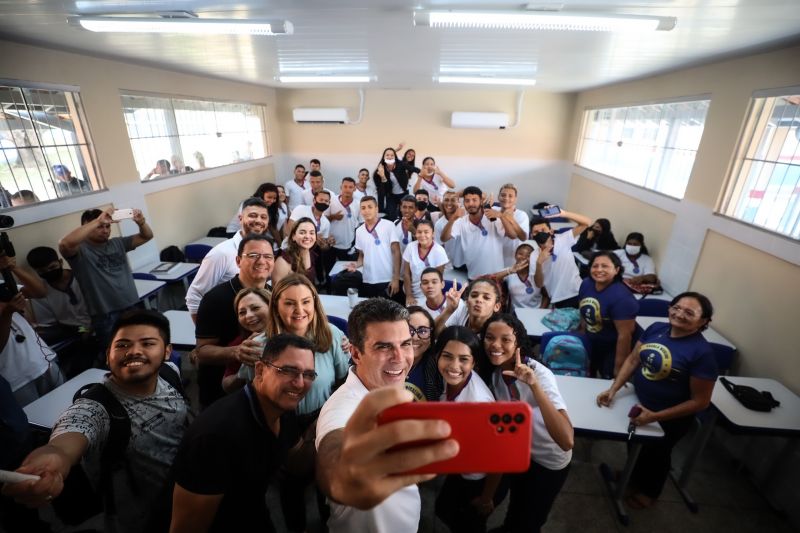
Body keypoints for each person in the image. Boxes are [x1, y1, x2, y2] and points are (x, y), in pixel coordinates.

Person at [2, 310, 192, 533]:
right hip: (144, 518)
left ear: (167, 351)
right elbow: (67, 440)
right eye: (122, 345)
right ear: (107, 354)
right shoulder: (96, 409)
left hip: (190, 491)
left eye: (148, 343)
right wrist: (53, 460)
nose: (134, 351)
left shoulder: (170, 372)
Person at [315, 298, 459, 532]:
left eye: (405, 344)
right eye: (383, 347)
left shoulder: (388, 388)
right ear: (356, 353)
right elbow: (334, 450)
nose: (400, 357)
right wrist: (341, 478)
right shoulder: (342, 406)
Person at [170, 334, 316, 533]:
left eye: (308, 374)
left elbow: (296, 464)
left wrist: (317, 429)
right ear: (260, 370)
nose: (299, 383)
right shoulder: (216, 436)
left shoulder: (282, 409)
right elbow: (187, 528)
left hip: (251, 512)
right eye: (288, 371)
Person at [596, 292, 718, 509]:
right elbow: (634, 359)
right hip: (640, 403)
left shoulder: (702, 353)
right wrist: (613, 388)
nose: (679, 314)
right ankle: (631, 476)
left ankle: (650, 492)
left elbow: (701, 402)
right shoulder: (656, 329)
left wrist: (656, 416)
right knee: (635, 445)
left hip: (670, 416)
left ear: (703, 322)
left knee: (657, 455)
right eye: (676, 307)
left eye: (689, 312)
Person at [258, 274, 350, 532]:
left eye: (306, 302)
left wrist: (325, 420)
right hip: (280, 424)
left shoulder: (331, 335)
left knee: (327, 482)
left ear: (315, 304)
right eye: (289, 303)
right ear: (276, 305)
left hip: (323, 417)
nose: (300, 310)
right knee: (290, 488)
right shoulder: (261, 345)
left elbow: (344, 381)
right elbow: (247, 389)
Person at [483, 313, 574, 533]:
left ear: (518, 344)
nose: (495, 345)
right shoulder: (494, 375)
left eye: (505, 339)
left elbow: (566, 440)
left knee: (532, 519)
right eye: (489, 337)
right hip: (522, 455)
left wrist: (534, 386)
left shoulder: (539, 374)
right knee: (517, 506)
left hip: (548, 460)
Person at [434, 325, 503, 533]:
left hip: (478, 479)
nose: (454, 366)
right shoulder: (450, 381)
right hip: (461, 465)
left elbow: (498, 457)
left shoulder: (478, 404)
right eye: (447, 356)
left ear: (474, 362)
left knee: (468, 524)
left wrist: (486, 498)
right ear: (437, 356)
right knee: (444, 510)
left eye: (463, 359)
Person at [194, 234, 274, 409]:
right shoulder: (215, 299)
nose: (261, 261)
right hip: (220, 393)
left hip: (264, 390)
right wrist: (237, 352)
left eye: (268, 256)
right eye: (253, 255)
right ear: (238, 261)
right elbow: (202, 352)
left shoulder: (274, 294)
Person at [59, 207, 153, 349]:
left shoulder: (117, 243)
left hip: (132, 305)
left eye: (107, 226)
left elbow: (147, 236)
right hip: (106, 314)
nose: (105, 230)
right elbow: (64, 243)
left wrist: (141, 223)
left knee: (140, 346)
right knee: (116, 353)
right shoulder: (80, 250)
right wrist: (98, 220)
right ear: (86, 227)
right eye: (99, 227)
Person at [185, 198, 269, 318]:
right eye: (252, 215)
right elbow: (194, 297)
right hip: (227, 322)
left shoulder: (265, 249)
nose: (258, 221)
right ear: (240, 219)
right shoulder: (222, 253)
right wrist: (204, 334)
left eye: (263, 217)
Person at [26, 246, 96, 378]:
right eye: (42, 271)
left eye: (52, 267)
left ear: (60, 262)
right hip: (69, 328)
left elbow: (100, 308)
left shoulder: (82, 277)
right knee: (33, 342)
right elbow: (47, 321)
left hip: (90, 326)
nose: (49, 272)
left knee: (80, 365)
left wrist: (90, 329)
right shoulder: (41, 289)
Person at [578, 251, 639, 378]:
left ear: (616, 270)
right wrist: (582, 334)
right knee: (588, 372)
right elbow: (583, 308)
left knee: (608, 377)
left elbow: (624, 336)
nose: (599, 270)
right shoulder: (586, 284)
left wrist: (619, 369)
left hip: (614, 347)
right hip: (593, 339)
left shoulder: (622, 298)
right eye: (595, 266)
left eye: (605, 266)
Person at [440, 186, 517, 280]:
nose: (471, 204)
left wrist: (501, 217)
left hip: (497, 276)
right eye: (467, 201)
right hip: (474, 277)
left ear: (481, 201)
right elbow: (444, 238)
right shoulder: (461, 222)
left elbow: (513, 235)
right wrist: (453, 218)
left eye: (474, 200)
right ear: (463, 203)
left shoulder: (492, 216)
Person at [0, 292, 63, 406]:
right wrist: (7, 314)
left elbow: (38, 289)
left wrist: (12, 273)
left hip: (43, 362)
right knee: (38, 420)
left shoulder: (2, 285)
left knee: (69, 409)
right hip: (16, 380)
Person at [530, 208, 592, 308]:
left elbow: (587, 222)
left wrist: (563, 213)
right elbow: (539, 284)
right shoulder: (534, 255)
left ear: (550, 231)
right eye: (536, 232)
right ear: (532, 235)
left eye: (543, 230)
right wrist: (539, 263)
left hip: (577, 291)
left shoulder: (562, 239)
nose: (540, 233)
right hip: (557, 298)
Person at [347, 196, 401, 298]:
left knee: (387, 313)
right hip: (368, 279)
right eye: (363, 208)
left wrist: (396, 278)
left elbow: (396, 252)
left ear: (376, 209)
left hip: (387, 279)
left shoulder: (388, 225)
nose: (366, 210)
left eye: (370, 207)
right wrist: (356, 265)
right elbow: (362, 256)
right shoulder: (359, 230)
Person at [221, 287, 271, 393]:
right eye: (242, 312)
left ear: (271, 306)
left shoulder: (293, 333)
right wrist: (244, 371)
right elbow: (226, 385)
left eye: (255, 308)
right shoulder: (241, 345)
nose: (248, 316)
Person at [436, 278, 502, 337]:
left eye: (486, 298)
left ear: (496, 306)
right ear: (467, 302)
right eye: (474, 295)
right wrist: (448, 310)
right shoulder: (460, 309)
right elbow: (435, 334)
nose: (479, 300)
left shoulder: (496, 330)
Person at [403, 220, 448, 306]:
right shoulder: (410, 247)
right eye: (419, 232)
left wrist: (432, 298)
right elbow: (406, 274)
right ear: (415, 233)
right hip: (412, 293)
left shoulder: (439, 251)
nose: (422, 235)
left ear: (433, 234)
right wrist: (409, 296)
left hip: (430, 294)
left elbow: (438, 278)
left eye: (426, 232)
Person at [492, 241, 546, 309]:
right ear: (515, 255)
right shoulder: (509, 271)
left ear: (533, 257)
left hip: (535, 312)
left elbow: (546, 296)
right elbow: (491, 278)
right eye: (520, 254)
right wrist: (510, 271)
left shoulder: (538, 272)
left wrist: (540, 311)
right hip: (515, 314)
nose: (523, 257)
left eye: (528, 255)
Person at [405, 306, 441, 401]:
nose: (415, 337)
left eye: (423, 331)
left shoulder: (437, 369)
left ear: (430, 339)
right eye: (409, 330)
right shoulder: (383, 364)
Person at [272, 218, 319, 286]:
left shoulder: (311, 254)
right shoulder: (283, 260)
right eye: (302, 232)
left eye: (312, 233)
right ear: (293, 236)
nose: (307, 236)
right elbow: (277, 291)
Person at [327, 177, 363, 262]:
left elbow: (362, 224)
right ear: (341, 187)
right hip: (330, 243)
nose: (347, 189)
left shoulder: (358, 204)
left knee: (346, 271)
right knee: (329, 269)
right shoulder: (331, 200)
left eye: (350, 187)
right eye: (345, 186)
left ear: (354, 189)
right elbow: (323, 220)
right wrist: (333, 217)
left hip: (347, 245)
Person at [373, 147, 413, 220]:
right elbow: (389, 156)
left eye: (412, 155)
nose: (410, 156)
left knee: (404, 214)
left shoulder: (403, 165)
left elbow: (391, 156)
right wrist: (383, 176)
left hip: (403, 193)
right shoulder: (383, 168)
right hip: (392, 194)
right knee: (392, 215)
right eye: (409, 154)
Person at [496, 184, 529, 266]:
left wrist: (512, 220)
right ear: (498, 197)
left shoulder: (522, 215)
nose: (506, 198)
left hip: (511, 259)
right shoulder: (494, 211)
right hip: (494, 257)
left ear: (515, 199)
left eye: (510, 196)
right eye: (503, 195)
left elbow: (523, 237)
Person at [434, 190, 465, 269]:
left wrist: (458, 194)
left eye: (453, 200)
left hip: (468, 263)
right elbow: (439, 247)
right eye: (446, 200)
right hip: (451, 266)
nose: (449, 203)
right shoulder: (439, 224)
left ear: (459, 202)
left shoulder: (465, 218)